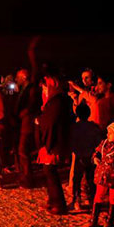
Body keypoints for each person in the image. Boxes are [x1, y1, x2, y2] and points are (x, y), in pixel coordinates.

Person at [36, 70, 74, 215]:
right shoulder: (54, 100)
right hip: (52, 141)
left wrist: (40, 121)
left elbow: (51, 121)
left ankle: (58, 204)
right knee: (49, 172)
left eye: (45, 87)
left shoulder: (57, 101)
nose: (44, 91)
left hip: (54, 142)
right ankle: (53, 201)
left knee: (51, 172)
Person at [68, 104, 103, 210]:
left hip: (80, 156)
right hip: (90, 156)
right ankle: (91, 200)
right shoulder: (93, 127)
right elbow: (99, 140)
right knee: (90, 179)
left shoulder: (75, 127)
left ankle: (76, 200)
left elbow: (72, 141)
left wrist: (75, 151)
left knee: (77, 179)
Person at [90, 121, 114, 227]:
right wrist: (95, 157)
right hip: (102, 174)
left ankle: (110, 221)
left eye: (111, 133)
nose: (108, 134)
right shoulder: (104, 143)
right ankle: (94, 219)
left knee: (113, 198)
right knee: (99, 195)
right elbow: (97, 152)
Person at [14, 67, 41, 188]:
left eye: (18, 77)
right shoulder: (23, 89)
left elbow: (32, 105)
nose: (16, 79)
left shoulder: (31, 89)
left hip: (27, 123)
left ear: (24, 77)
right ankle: (23, 175)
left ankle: (28, 178)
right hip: (22, 122)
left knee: (23, 150)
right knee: (21, 151)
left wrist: (23, 113)